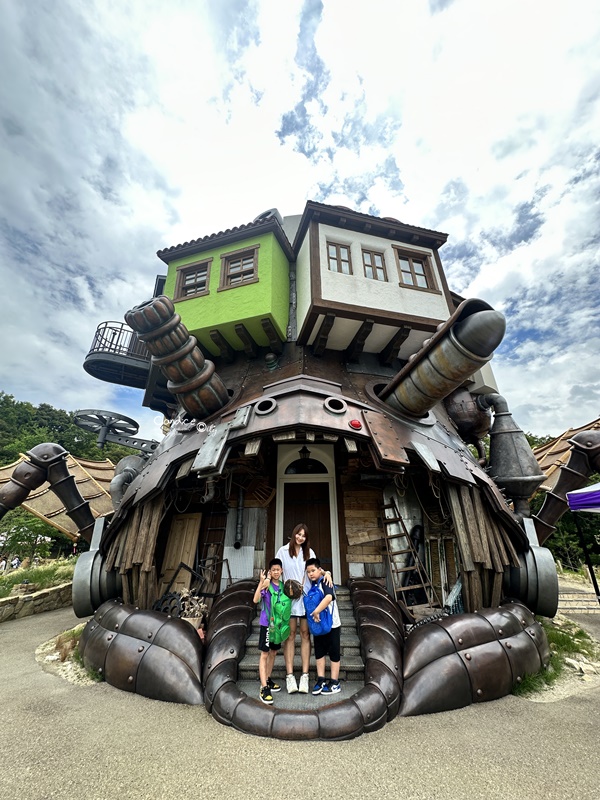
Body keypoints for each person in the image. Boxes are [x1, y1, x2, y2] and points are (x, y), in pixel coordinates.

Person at [275, 523, 332, 694]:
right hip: (289, 599)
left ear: (306, 538)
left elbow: (317, 570)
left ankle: (305, 676)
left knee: (305, 634)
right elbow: (277, 573)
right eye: (298, 534)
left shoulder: (310, 553)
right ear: (293, 534)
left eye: (303, 535)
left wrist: (326, 573)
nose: (300, 538)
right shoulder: (283, 552)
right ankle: (290, 676)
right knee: (290, 635)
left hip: (307, 600)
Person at [252, 558, 290, 705]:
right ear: (270, 571)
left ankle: (267, 679)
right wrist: (262, 582)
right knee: (264, 654)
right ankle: (264, 687)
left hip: (279, 626)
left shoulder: (283, 586)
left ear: (281, 571)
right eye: (273, 570)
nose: (276, 572)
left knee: (273, 652)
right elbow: (256, 600)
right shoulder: (267, 585)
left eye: (278, 570)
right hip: (267, 624)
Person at [305, 557, 342, 695]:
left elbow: (328, 597)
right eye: (308, 572)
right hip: (319, 624)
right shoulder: (313, 584)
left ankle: (334, 682)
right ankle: (321, 679)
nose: (311, 574)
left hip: (332, 624)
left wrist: (316, 611)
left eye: (313, 570)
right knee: (319, 651)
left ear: (319, 570)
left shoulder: (326, 581)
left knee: (334, 652)